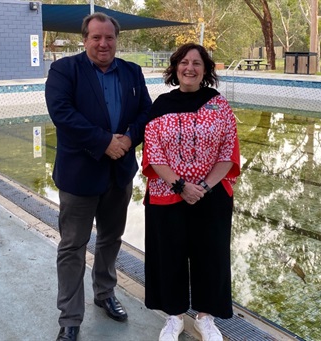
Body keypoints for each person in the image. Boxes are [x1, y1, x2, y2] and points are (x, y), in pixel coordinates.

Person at [45, 12, 152, 341]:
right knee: (72, 246)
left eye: (109, 38)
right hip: (80, 175)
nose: (103, 43)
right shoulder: (66, 70)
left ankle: (105, 294)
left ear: (117, 40)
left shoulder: (131, 72)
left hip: (118, 174)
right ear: (85, 39)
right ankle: (70, 317)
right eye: (96, 37)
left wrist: (125, 141)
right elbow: (62, 113)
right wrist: (105, 142)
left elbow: (146, 113)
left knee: (110, 239)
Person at [142, 43, 241, 341]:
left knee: (210, 257)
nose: (190, 68)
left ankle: (205, 318)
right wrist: (182, 186)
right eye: (184, 62)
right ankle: (174, 317)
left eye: (197, 63)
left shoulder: (218, 104)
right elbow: (153, 153)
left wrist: (204, 187)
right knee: (169, 256)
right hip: (167, 196)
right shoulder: (161, 104)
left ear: (206, 70)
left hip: (211, 197)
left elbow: (229, 151)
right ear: (175, 68)